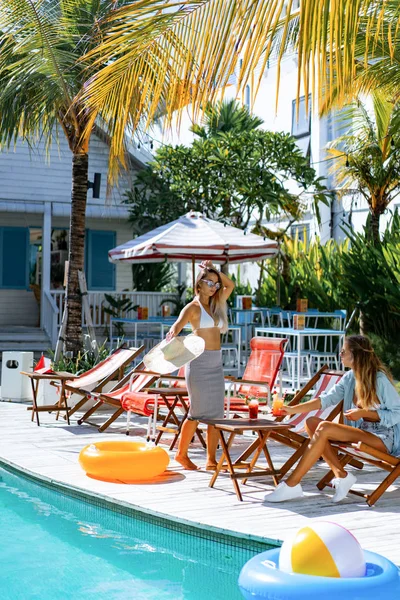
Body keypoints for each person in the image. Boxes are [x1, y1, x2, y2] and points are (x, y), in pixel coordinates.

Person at [265, 335, 400, 502]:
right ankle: (341, 475)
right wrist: (292, 410)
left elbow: (397, 414)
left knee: (324, 428)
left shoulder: (379, 380)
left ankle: (292, 484)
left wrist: (364, 414)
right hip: (364, 432)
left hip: (385, 438)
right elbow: (325, 400)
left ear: (355, 355)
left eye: (343, 351)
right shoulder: (350, 377)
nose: (340, 354)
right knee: (312, 423)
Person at [166, 260, 235, 470]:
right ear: (198, 284)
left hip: (216, 364)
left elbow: (230, 285)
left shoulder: (215, 304)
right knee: (196, 413)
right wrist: (169, 340)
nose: (215, 287)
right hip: (199, 364)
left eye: (215, 284)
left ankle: (211, 460)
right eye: (210, 283)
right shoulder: (193, 308)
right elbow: (176, 326)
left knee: (215, 414)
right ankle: (181, 454)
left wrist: (213, 270)